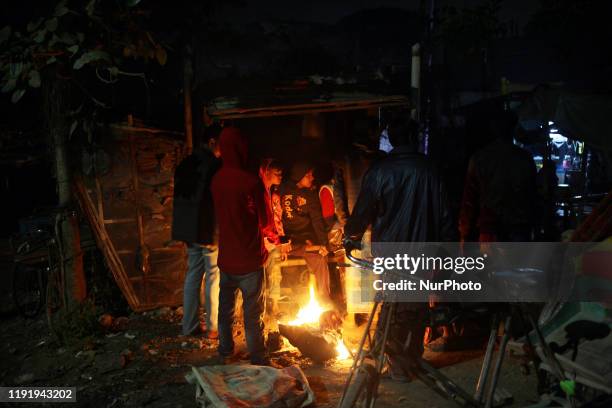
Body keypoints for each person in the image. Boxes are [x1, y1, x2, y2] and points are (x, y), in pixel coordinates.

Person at [344, 114, 455, 361]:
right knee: (410, 305)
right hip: (424, 253)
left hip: (390, 253)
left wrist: (351, 237)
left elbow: (362, 212)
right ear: (414, 138)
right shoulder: (430, 170)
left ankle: (399, 363)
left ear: (392, 140)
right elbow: (446, 216)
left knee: (396, 303)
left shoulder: (379, 171)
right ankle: (399, 356)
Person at [210, 127, 273, 366]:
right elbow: (266, 221)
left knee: (225, 310)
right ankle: (258, 356)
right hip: (250, 259)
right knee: (252, 311)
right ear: (241, 149)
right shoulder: (250, 181)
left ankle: (225, 352)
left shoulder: (216, 180)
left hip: (227, 259)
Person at [459, 110, 537, 243]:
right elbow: (533, 197)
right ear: (514, 128)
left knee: (491, 263)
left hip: (490, 231)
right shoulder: (525, 159)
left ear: (493, 129)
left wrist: (464, 234)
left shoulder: (479, 158)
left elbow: (469, 200)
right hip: (518, 230)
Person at [171, 131, 221, 338]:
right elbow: (215, 202)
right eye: (220, 145)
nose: (222, 151)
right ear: (211, 142)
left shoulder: (184, 165)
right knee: (213, 276)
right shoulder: (214, 166)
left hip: (188, 231)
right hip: (207, 230)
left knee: (193, 275)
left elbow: (182, 201)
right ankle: (212, 327)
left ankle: (189, 326)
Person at [280, 161, 332, 305]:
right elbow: (275, 217)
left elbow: (316, 221)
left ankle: (324, 301)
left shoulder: (310, 195)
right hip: (283, 239)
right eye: (308, 175)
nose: (312, 178)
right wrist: (282, 239)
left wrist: (323, 243)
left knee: (320, 257)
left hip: (303, 238)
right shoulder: (282, 189)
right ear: (299, 176)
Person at [258, 159, 286, 319]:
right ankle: (259, 308)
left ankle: (274, 305)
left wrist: (280, 241)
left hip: (272, 241)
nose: (280, 176)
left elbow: (277, 219)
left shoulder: (273, 194)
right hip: (260, 240)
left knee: (275, 272)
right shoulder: (259, 191)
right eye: (277, 173)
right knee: (258, 275)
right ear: (267, 172)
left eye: (281, 174)